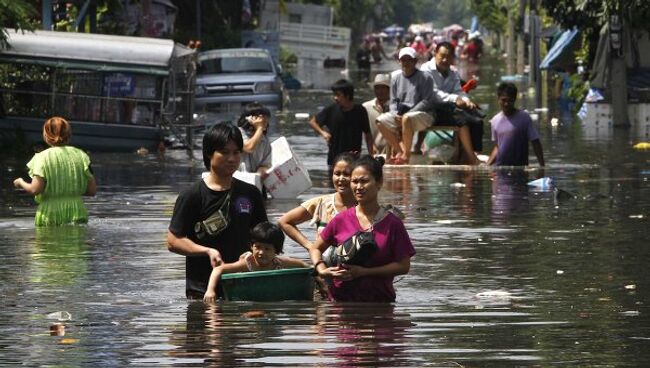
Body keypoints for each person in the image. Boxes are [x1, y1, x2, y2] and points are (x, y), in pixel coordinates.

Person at [167, 123, 268, 299]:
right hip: (202, 290)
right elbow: (173, 241)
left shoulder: (251, 193)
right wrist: (206, 251)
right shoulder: (191, 195)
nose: (231, 158)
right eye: (225, 152)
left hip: (244, 285)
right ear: (209, 153)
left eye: (236, 152)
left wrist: (255, 253)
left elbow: (264, 236)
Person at [309, 155, 415, 303]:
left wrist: (365, 272)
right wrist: (321, 269)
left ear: (379, 183)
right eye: (355, 181)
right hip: (341, 304)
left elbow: (403, 266)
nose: (358, 187)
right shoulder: (341, 220)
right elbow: (315, 248)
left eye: (364, 181)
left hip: (379, 305)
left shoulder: (393, 224)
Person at [13, 116, 97, 226]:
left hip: (50, 214)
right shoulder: (81, 156)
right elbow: (92, 191)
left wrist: (20, 182)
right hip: (77, 211)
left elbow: (35, 189)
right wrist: (70, 190)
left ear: (46, 135)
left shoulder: (42, 158)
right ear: (68, 134)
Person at [203, 222, 308, 303]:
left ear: (277, 251)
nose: (261, 252)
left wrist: (318, 279)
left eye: (267, 249)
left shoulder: (278, 262)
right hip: (246, 295)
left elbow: (303, 265)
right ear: (251, 246)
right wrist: (210, 290)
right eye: (257, 247)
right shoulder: (248, 263)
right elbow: (218, 269)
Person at [278, 152, 357, 250]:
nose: (341, 178)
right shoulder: (321, 203)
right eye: (337, 174)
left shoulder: (364, 206)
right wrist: (311, 247)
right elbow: (284, 221)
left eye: (346, 174)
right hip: (322, 264)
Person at [420, 42, 482, 164]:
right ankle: (471, 158)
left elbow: (459, 90)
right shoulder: (426, 70)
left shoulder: (453, 72)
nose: (445, 60)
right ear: (435, 54)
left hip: (448, 108)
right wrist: (455, 99)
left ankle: (469, 153)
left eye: (448, 57)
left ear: (453, 58)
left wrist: (466, 100)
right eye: (442, 56)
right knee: (462, 119)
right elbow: (433, 93)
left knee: (477, 117)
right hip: (431, 110)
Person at [375, 47, 436, 164]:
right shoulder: (396, 78)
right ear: (399, 62)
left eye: (409, 60)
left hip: (424, 115)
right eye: (403, 60)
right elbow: (393, 101)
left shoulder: (426, 77)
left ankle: (406, 156)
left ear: (415, 61)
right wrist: (395, 114)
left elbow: (426, 101)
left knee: (407, 119)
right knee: (380, 121)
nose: (406, 63)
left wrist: (408, 113)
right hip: (402, 115)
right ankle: (400, 151)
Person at [309, 79, 373, 171]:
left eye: (338, 95)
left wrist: (371, 155)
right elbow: (312, 122)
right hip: (334, 159)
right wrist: (323, 133)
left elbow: (368, 134)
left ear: (347, 96)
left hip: (354, 159)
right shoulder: (331, 110)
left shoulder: (360, 111)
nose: (335, 98)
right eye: (334, 95)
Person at [487, 82, 545, 166]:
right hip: (500, 168)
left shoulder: (524, 118)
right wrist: (487, 165)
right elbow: (498, 146)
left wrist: (542, 166)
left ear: (514, 99)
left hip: (520, 168)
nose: (506, 104)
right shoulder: (495, 120)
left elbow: (535, 142)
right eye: (503, 100)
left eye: (510, 100)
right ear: (498, 99)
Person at [236, 102, 272, 178]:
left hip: (254, 181)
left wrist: (261, 172)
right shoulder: (237, 133)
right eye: (261, 119)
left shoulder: (265, 140)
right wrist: (259, 128)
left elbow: (265, 165)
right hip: (237, 179)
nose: (264, 122)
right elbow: (249, 147)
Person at [362, 73, 391, 154]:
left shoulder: (395, 107)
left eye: (383, 88)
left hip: (392, 150)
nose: (380, 91)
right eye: (377, 88)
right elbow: (365, 130)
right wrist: (372, 146)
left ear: (388, 89)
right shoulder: (366, 107)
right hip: (373, 149)